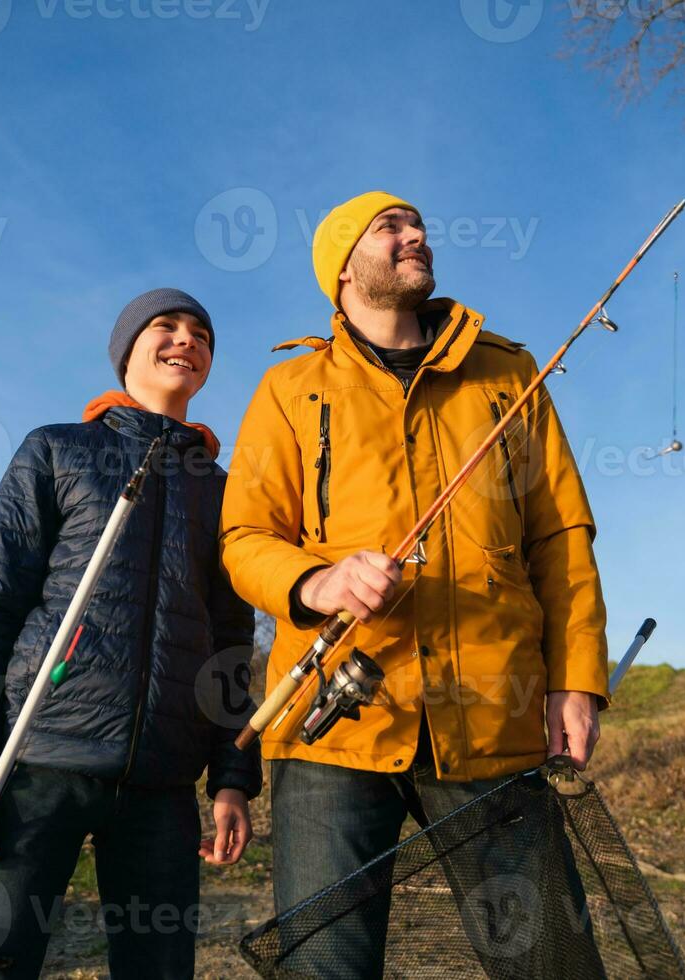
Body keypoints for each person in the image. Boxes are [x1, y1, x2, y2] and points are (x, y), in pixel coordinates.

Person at [220, 192, 610, 976]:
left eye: (417, 223)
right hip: (332, 732)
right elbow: (244, 539)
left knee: (551, 963)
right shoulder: (289, 392)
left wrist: (576, 679)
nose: (417, 235)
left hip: (494, 721)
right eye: (389, 228)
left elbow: (560, 534)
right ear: (341, 267)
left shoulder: (509, 373)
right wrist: (316, 581)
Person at [0, 288, 261, 979]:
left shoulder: (223, 490)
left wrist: (232, 779)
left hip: (164, 782)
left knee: (159, 969)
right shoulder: (57, 450)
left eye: (201, 334)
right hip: (37, 764)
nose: (186, 340)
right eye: (165, 327)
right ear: (126, 352)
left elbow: (232, 640)